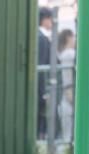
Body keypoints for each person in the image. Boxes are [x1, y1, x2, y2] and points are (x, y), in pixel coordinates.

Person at [36, 7, 55, 140]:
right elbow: (42, 64)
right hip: (40, 90)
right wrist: (43, 92)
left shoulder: (38, 36)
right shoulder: (42, 38)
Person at [58, 29, 76, 143]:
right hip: (70, 93)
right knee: (69, 133)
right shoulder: (70, 54)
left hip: (65, 94)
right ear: (68, 38)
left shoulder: (62, 54)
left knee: (66, 132)